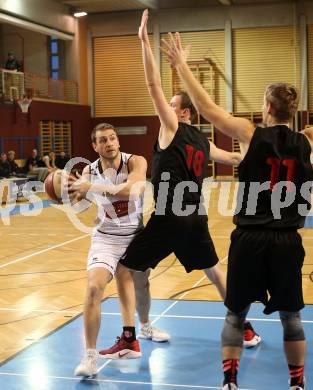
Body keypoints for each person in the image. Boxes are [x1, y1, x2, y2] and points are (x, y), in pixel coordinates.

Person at [99, 9, 260, 361]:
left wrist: (144, 43)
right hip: (195, 218)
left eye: (172, 106)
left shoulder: (172, 129)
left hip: (170, 218)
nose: (165, 110)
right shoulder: (204, 141)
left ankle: (130, 337)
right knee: (215, 271)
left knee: (126, 269)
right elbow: (235, 159)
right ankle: (244, 327)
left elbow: (152, 84)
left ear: (183, 112)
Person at [162, 29, 313, 390]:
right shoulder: (306, 142)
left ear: (268, 107)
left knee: (234, 313)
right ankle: (296, 384)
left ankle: (229, 382)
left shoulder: (250, 133)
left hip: (249, 238)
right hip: (287, 240)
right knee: (292, 318)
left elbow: (205, 109)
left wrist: (182, 65)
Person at [70, 122, 170, 378]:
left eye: (112, 138)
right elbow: (75, 196)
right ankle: (90, 357)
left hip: (135, 238)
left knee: (142, 285)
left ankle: (145, 326)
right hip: (105, 239)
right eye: (103, 140)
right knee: (94, 288)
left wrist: (90, 188)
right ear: (95, 146)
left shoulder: (135, 162)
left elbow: (133, 188)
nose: (109, 143)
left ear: (118, 141)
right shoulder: (89, 172)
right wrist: (67, 188)